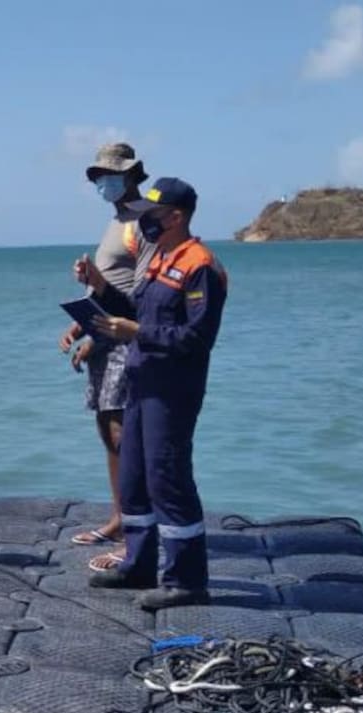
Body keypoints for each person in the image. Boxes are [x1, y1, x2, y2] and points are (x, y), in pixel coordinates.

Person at [73, 177, 227, 609]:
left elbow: (196, 337)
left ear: (176, 217)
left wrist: (137, 332)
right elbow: (136, 311)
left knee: (168, 477)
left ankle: (187, 580)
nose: (143, 223)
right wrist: (100, 288)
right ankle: (139, 564)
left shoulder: (200, 266)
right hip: (141, 383)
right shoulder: (160, 258)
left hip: (172, 389)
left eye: (152, 216)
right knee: (134, 476)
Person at [59, 143, 150, 552]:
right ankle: (121, 517)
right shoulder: (118, 221)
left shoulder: (145, 221)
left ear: (131, 175)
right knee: (107, 428)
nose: (102, 183)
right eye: (98, 177)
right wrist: (82, 326)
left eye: (110, 176)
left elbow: (142, 297)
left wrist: (98, 332)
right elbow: (111, 285)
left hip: (125, 337)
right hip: (105, 335)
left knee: (121, 431)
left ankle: (135, 523)